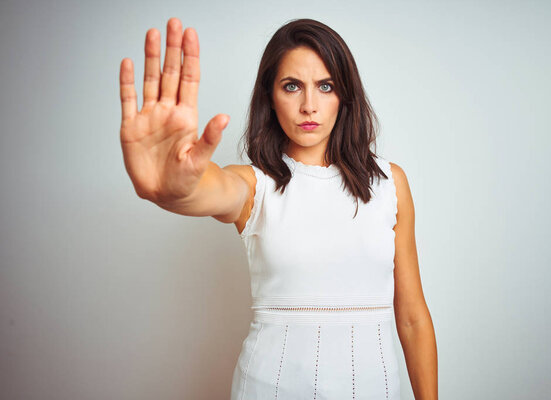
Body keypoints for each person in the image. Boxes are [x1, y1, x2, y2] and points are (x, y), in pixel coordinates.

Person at [119, 17, 438, 400]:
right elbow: (206, 190)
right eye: (292, 86)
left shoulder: (389, 182)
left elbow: (413, 317)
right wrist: (171, 189)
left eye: (325, 86)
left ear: (345, 94)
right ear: (270, 96)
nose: (309, 105)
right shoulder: (255, 184)